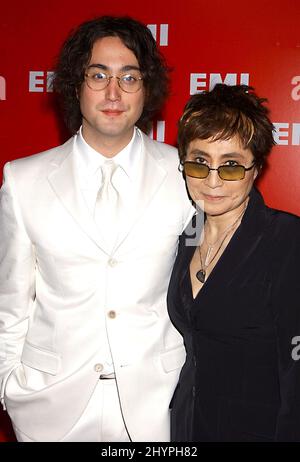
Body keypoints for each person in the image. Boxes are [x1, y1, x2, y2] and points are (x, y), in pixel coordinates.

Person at [0, 16, 194, 442]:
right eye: (98, 75)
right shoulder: (23, 180)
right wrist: (8, 391)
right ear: (76, 85)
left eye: (129, 76)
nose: (113, 92)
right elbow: (9, 305)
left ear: (147, 88)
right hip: (49, 411)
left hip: (155, 409)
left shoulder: (185, 174)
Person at [167, 84, 300, 442]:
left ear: (256, 167)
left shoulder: (286, 241)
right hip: (186, 430)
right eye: (199, 162)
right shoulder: (187, 233)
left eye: (230, 166)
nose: (212, 181)